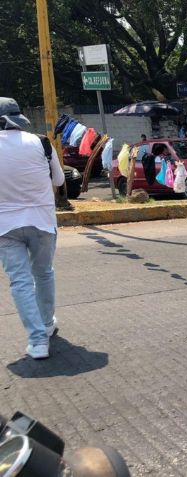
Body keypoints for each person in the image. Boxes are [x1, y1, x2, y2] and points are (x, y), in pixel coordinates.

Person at [0, 97, 65, 359]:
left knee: (20, 281)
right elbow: (59, 179)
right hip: (42, 221)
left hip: (5, 226)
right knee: (44, 273)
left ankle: (37, 341)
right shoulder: (40, 142)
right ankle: (47, 324)